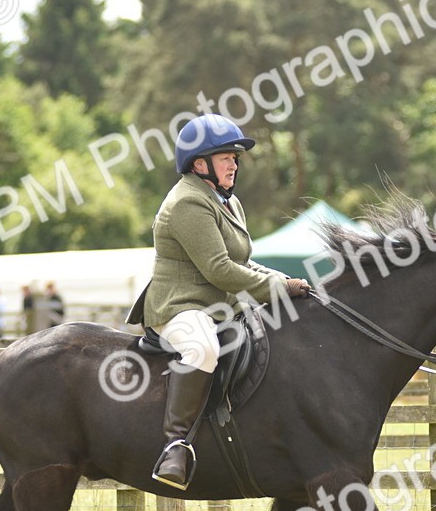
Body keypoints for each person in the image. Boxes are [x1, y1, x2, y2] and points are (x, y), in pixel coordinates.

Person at [126, 113, 311, 490]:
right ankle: (174, 445)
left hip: (221, 306)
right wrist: (278, 288)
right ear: (199, 164)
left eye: (235, 157)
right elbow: (220, 270)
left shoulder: (227, 202)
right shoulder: (186, 203)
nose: (234, 163)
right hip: (180, 306)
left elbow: (242, 262)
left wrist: (282, 281)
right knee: (202, 349)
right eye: (226, 156)